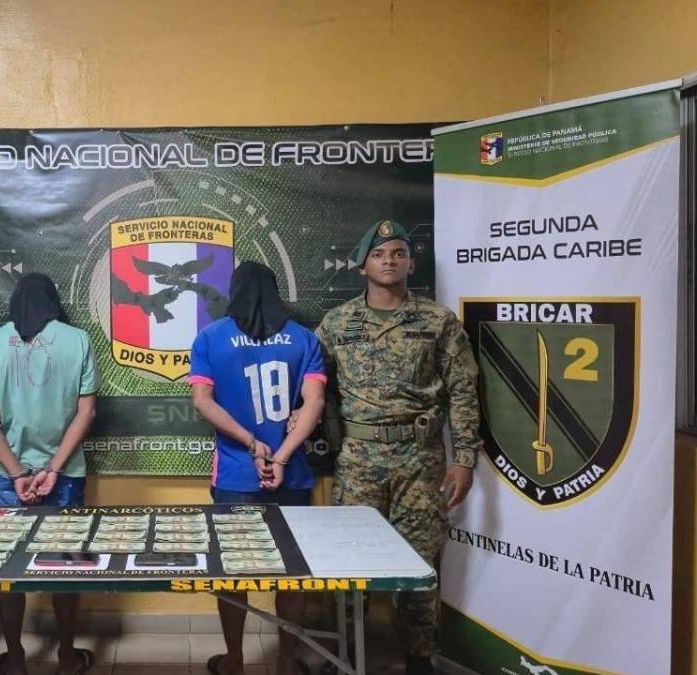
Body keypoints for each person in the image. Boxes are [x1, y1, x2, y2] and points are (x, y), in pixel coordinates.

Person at [313, 220, 480, 675]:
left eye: (399, 253)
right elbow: (313, 384)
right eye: (379, 254)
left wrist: (465, 458)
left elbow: (463, 390)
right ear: (362, 265)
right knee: (350, 560)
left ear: (411, 263)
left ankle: (420, 660)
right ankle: (347, 655)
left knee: (420, 563)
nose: (389, 261)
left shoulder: (437, 321)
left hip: (420, 461)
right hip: (358, 460)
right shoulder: (337, 323)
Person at [188, 261, 327, 675]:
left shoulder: (210, 337)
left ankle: (234, 659)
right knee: (293, 572)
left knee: (234, 571)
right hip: (292, 471)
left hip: (235, 473)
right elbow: (315, 403)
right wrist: (281, 456)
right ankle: (288, 660)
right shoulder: (303, 338)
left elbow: (202, 401)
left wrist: (252, 444)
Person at [0, 273, 99, 675]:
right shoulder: (78, 340)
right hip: (65, 474)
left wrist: (17, 472)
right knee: (66, 564)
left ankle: (16, 657)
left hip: (8, 477)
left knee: (9, 567)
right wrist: (53, 468)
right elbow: (87, 412)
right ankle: (67, 656)